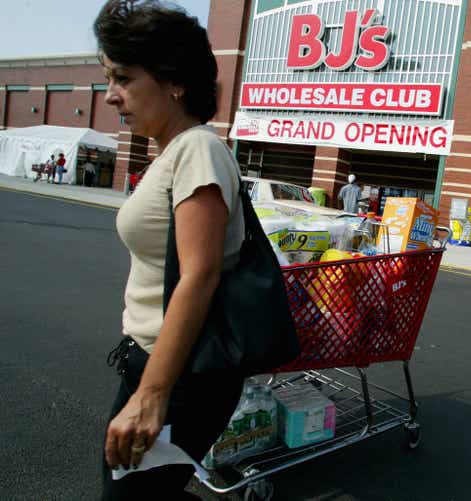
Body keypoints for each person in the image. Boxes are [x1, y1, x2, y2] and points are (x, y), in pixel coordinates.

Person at [95, 2, 246, 497]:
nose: (111, 95)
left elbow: (200, 275)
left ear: (172, 80)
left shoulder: (197, 150)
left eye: (123, 78)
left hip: (179, 375)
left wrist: (152, 394)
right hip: (156, 364)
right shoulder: (173, 151)